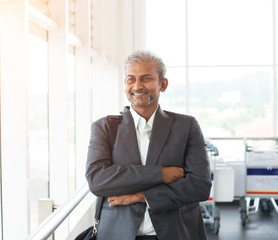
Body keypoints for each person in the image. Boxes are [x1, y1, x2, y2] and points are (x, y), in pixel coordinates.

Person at [85, 50, 212, 240]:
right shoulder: (105, 127)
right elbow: (97, 180)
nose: (137, 86)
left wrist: (140, 196)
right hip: (117, 234)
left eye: (146, 79)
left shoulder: (186, 126)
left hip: (175, 233)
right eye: (130, 79)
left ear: (163, 84)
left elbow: (199, 186)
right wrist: (161, 174)